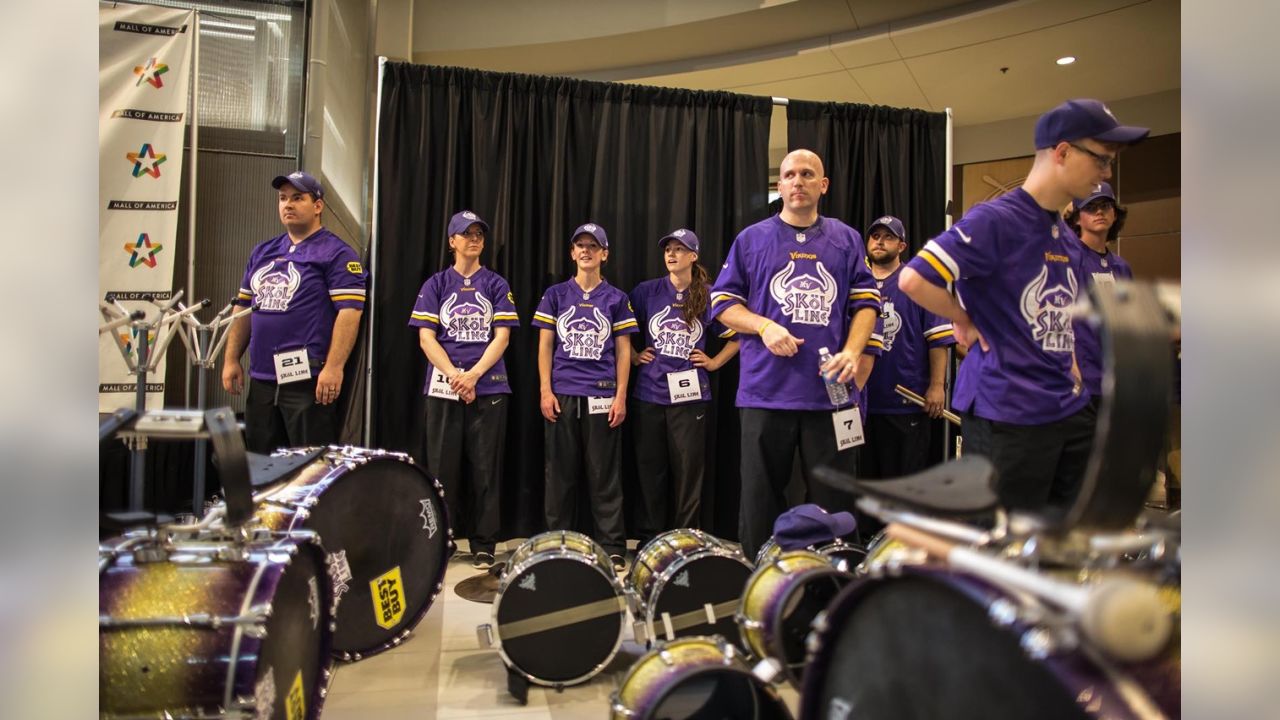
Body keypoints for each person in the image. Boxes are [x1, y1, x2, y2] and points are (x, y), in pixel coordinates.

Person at [900, 98, 1149, 516]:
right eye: (1101, 160)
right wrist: (966, 318)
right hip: (1009, 413)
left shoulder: (1064, 234)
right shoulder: (997, 219)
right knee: (1005, 548)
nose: (1107, 173)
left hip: (1065, 407)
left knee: (1065, 539)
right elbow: (914, 278)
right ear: (1063, 152)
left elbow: (1061, 309)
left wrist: (1070, 363)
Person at [709, 149, 882, 559]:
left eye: (807, 174)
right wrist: (764, 326)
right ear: (780, 185)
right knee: (759, 498)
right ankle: (761, 581)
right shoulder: (751, 240)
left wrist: (853, 353)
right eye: (789, 174)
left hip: (831, 395)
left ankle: (836, 583)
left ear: (823, 185)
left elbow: (866, 304)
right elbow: (722, 303)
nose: (797, 181)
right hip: (765, 392)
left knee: (836, 499)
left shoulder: (846, 238)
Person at [222, 171, 366, 453]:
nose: (288, 204)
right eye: (283, 198)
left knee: (309, 466)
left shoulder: (337, 253)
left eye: (297, 198)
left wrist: (334, 367)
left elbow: (349, 313)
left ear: (317, 206)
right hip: (261, 378)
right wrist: (231, 359)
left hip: (307, 380)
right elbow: (243, 309)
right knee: (261, 463)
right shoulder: (263, 251)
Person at [408, 210, 520, 569]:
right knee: (442, 468)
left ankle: (484, 542)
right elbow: (426, 338)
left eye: (479, 234)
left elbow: (502, 337)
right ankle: (443, 538)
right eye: (465, 233)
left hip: (488, 388)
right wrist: (456, 375)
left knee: (486, 468)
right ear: (452, 241)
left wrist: (472, 376)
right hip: (443, 388)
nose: (473, 239)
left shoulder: (497, 285)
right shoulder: (436, 284)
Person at [532, 223, 638, 570]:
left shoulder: (617, 299)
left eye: (593, 246)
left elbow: (624, 351)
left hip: (602, 394)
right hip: (563, 394)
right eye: (580, 245)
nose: (586, 251)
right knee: (558, 475)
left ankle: (612, 544)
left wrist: (621, 396)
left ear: (604, 254)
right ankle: (555, 542)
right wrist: (545, 390)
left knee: (604, 475)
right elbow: (545, 345)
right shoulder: (556, 294)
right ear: (572, 252)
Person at [629, 229, 740, 543]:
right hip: (649, 393)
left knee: (688, 474)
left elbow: (738, 336)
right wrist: (636, 355)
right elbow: (618, 330)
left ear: (693, 256)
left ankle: (685, 540)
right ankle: (650, 538)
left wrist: (716, 362)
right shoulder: (645, 292)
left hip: (690, 397)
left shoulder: (708, 293)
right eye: (668, 249)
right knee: (650, 471)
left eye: (680, 250)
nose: (672, 255)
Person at [862, 215, 957, 479]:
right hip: (861, 401)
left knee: (903, 483)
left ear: (901, 246)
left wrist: (937, 386)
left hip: (906, 402)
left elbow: (938, 340)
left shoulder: (918, 282)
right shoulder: (856, 281)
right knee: (865, 485)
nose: (880, 242)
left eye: (889, 237)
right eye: (876, 236)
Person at [1064, 182, 1134, 406]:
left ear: (1115, 214)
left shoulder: (1121, 267)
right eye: (1091, 207)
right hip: (1082, 377)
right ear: (1077, 217)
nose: (1099, 212)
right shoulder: (1068, 259)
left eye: (1105, 205)